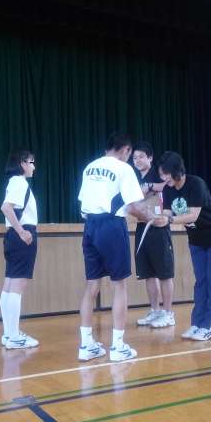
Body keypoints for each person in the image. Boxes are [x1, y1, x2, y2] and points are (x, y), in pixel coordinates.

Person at [78, 133, 154, 362]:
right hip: (111, 225)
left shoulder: (89, 167)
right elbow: (133, 206)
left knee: (92, 285)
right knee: (119, 285)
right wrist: (149, 217)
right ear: (125, 150)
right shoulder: (124, 169)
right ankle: (118, 347)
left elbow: (82, 204)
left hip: (90, 225)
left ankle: (86, 345)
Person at [158, 151, 211, 341]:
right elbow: (166, 213)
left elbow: (192, 215)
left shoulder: (196, 184)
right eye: (162, 175)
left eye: (166, 174)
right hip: (197, 240)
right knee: (201, 282)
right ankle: (197, 323)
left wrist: (168, 220)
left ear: (176, 171)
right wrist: (157, 218)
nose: (164, 178)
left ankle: (210, 327)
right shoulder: (168, 189)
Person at [0, 150, 39, 349]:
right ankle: (14, 336)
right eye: (31, 162)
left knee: (9, 284)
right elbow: (6, 208)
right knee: (17, 287)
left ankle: (9, 333)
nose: (34, 166)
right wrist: (22, 231)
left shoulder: (14, 182)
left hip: (12, 236)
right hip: (21, 235)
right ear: (22, 163)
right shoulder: (19, 182)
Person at [132, 142, 175, 328]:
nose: (137, 160)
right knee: (148, 273)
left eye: (141, 156)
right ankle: (155, 311)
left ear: (150, 158)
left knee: (164, 273)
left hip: (159, 227)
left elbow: (168, 184)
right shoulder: (133, 178)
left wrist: (149, 185)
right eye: (134, 158)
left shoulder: (157, 174)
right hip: (142, 227)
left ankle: (168, 313)